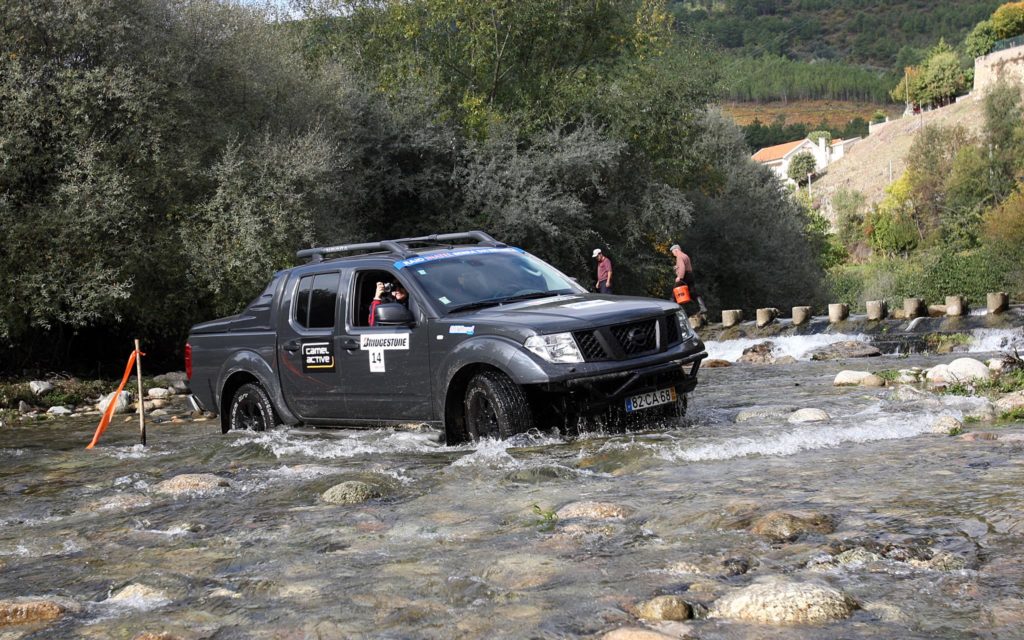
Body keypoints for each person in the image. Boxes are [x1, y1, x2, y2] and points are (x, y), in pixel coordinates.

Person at [669, 243, 707, 315]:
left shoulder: (679, 256)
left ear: (676, 250)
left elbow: (683, 267)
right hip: (690, 275)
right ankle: (703, 307)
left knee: (674, 292)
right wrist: (677, 268)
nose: (673, 254)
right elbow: (685, 266)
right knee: (693, 293)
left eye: (673, 252)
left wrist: (679, 277)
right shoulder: (685, 255)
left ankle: (670, 310)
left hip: (684, 276)